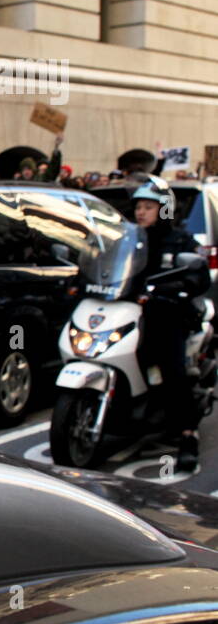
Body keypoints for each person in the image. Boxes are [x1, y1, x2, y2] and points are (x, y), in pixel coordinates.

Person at [134, 177, 210, 471]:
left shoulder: (180, 240)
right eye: (138, 206)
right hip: (132, 315)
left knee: (173, 371)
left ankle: (187, 436)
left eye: (148, 207)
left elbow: (199, 275)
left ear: (163, 209)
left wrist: (181, 285)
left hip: (168, 316)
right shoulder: (133, 240)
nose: (141, 212)